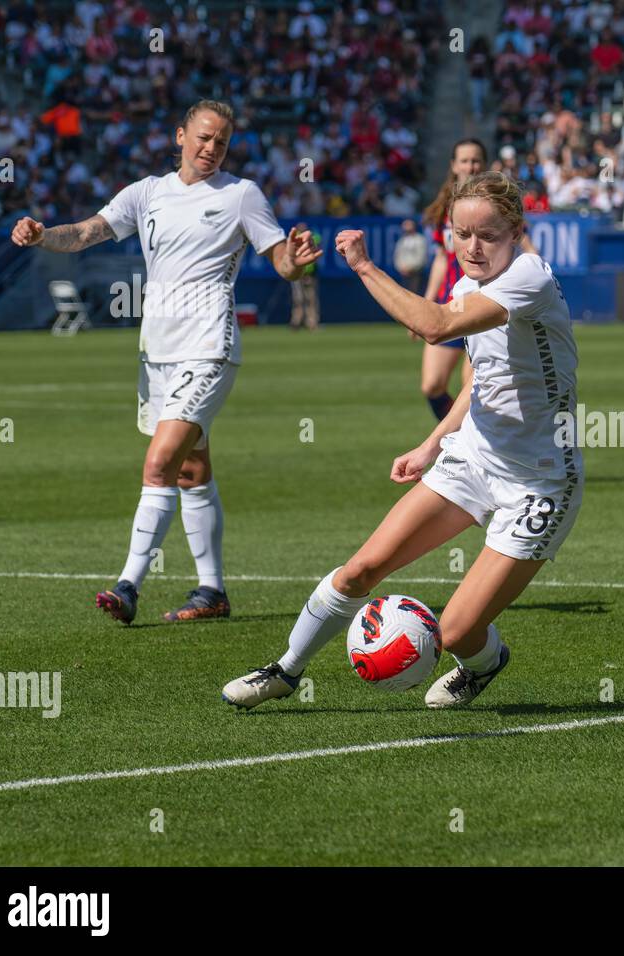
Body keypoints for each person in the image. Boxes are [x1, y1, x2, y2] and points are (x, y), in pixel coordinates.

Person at [222, 172, 582, 710]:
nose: (473, 247)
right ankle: (285, 670)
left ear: (515, 231)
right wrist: (434, 442)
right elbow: (484, 381)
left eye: (487, 234)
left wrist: (364, 265)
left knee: (458, 632)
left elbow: (435, 327)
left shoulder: (528, 278)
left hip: (540, 482)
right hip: (473, 459)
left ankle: (486, 662)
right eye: (462, 234)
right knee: (361, 569)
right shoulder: (467, 287)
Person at [10, 99, 321, 623]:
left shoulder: (242, 196)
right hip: (157, 354)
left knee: (158, 462)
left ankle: (128, 584)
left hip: (208, 346)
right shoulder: (147, 192)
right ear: (180, 136)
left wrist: (296, 260)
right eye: (203, 137)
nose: (211, 149)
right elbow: (87, 232)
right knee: (191, 469)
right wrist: (43, 236)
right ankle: (212, 592)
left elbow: (281, 261)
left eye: (221, 141)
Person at [418, 139, 487, 421]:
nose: (470, 166)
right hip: (449, 307)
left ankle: (469, 453)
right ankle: (459, 438)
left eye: (476, 160)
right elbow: (440, 259)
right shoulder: (445, 207)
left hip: (482, 306)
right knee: (432, 385)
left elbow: (522, 241)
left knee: (471, 391)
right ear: (453, 165)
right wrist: (425, 303)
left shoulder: (495, 202)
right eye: (464, 160)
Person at [288, 221, 322, 331]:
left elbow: (318, 251)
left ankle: (312, 323)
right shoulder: (294, 239)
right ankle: (296, 322)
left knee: (311, 299)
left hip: (310, 273)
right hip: (298, 274)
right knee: (298, 299)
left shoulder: (314, 237)